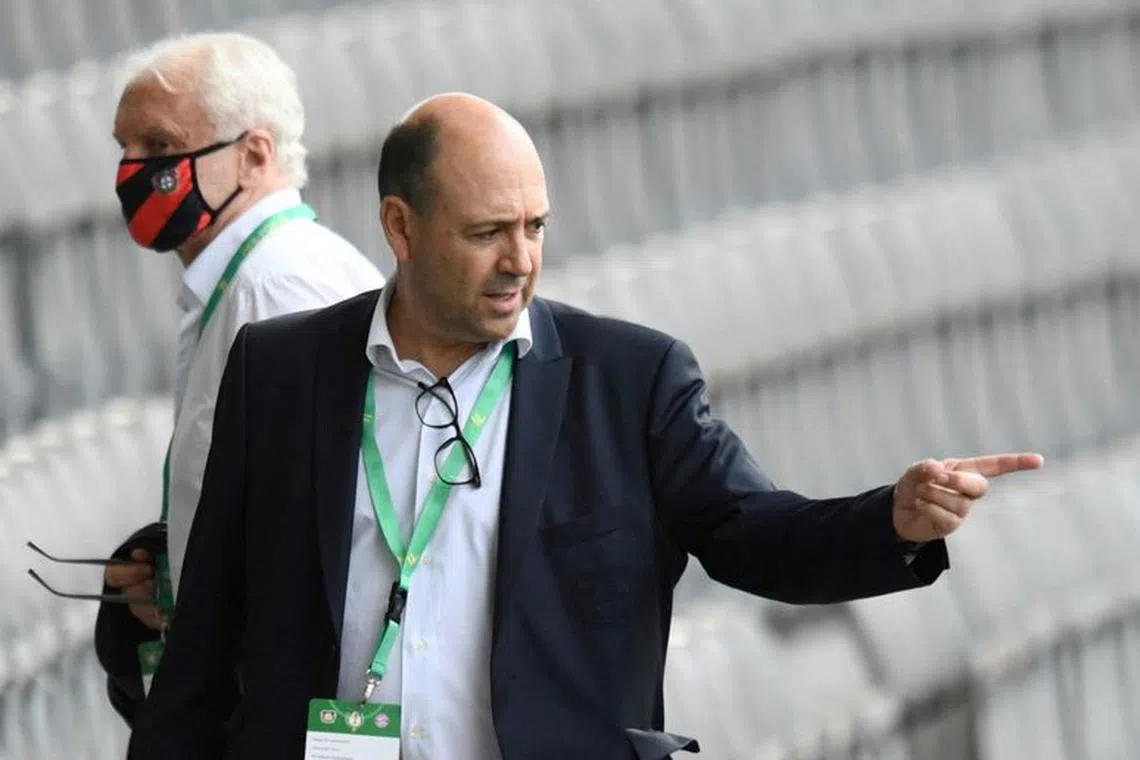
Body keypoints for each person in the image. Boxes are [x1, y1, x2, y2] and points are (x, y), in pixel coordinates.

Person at [127, 92, 1043, 760]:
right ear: (400, 228)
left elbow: (755, 534)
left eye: (535, 227)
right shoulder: (280, 371)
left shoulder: (629, 379)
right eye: (488, 231)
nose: (520, 261)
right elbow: (207, 633)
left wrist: (893, 519)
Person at [94, 32, 385, 725]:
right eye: (124, 148)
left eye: (159, 149)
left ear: (255, 155)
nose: (131, 171)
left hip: (278, 702)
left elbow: (317, 532)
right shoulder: (245, 280)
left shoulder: (279, 287)